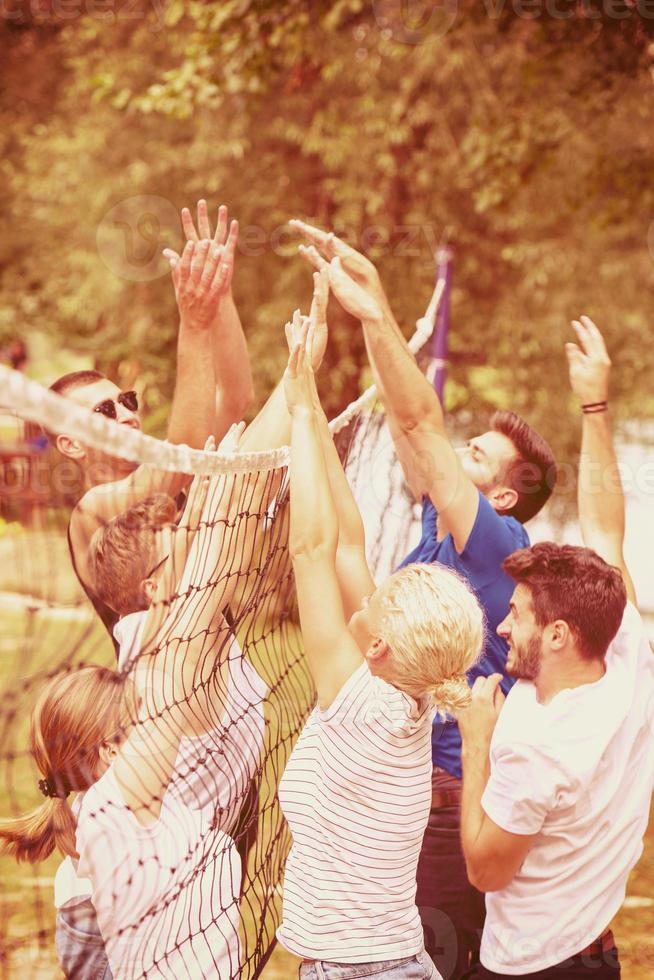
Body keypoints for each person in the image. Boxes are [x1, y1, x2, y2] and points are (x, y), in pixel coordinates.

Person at [290, 219, 557, 978]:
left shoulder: (497, 540)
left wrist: (373, 311)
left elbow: (417, 422)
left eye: (477, 456)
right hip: (409, 783)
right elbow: (399, 454)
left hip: (442, 798)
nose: (454, 453)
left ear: (503, 493)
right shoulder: (435, 546)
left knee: (433, 953)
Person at [0, 426, 274, 979]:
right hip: (116, 917)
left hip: (145, 890)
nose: (193, 553)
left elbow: (220, 554)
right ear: (156, 587)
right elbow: (218, 564)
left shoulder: (178, 632)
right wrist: (233, 487)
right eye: (182, 551)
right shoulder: (169, 660)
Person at [276, 313, 485, 980]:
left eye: (375, 603)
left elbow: (310, 548)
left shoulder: (361, 703)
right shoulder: (406, 693)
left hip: (355, 971)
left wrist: (302, 402)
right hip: (392, 962)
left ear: (378, 648)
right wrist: (306, 402)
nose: (363, 600)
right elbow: (344, 545)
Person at [457, 317, 653, 979]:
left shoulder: (531, 748)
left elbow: (486, 869)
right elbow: (603, 524)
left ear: (560, 634)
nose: (503, 628)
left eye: (515, 617)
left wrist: (478, 736)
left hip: (529, 967)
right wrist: (594, 404)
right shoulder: (624, 658)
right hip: (598, 953)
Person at [49, 202, 254, 647]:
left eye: (126, 400)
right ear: (72, 445)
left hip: (226, 683)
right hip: (158, 703)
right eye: (103, 411)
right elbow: (180, 456)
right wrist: (193, 324)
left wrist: (218, 297)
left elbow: (236, 397)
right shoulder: (93, 512)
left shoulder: (162, 471)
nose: (126, 413)